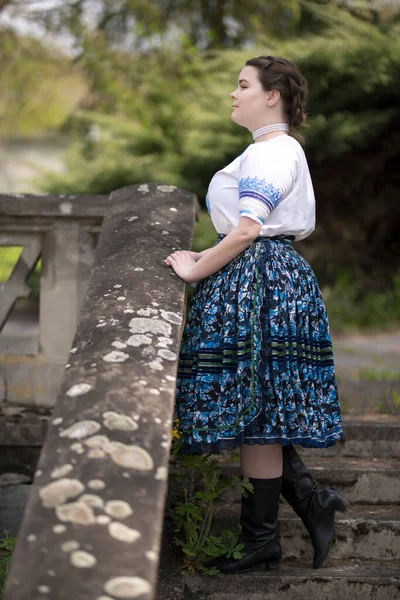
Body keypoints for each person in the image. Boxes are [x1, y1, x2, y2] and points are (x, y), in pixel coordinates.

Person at [165, 55, 348, 574]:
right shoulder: (264, 150)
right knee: (259, 414)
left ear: (272, 96)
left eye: (242, 85)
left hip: (263, 282)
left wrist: (196, 271)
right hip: (260, 276)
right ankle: (280, 525)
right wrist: (201, 259)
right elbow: (243, 233)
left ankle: (273, 528)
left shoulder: (274, 151)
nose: (233, 93)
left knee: (258, 410)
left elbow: (247, 230)